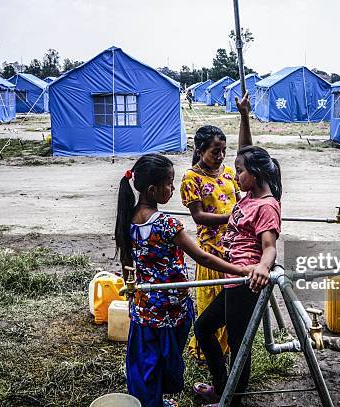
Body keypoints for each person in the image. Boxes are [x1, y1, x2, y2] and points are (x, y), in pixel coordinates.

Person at [115, 153, 262, 407]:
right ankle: (156, 402)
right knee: (165, 358)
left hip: (142, 306)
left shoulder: (128, 216)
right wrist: (239, 270)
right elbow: (202, 258)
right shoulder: (167, 224)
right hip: (171, 309)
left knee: (145, 359)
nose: (173, 189)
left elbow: (127, 263)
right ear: (153, 189)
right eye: (170, 184)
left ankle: (152, 401)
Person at [193, 92, 282, 406]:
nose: (235, 174)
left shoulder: (266, 206)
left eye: (239, 171)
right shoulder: (248, 197)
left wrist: (262, 266)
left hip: (246, 280)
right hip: (233, 278)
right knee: (204, 328)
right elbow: (247, 151)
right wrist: (244, 115)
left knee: (239, 343)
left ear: (254, 175)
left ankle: (231, 399)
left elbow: (269, 246)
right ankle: (223, 387)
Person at [180, 124, 239, 361]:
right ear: (200, 150)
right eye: (215, 151)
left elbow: (240, 200)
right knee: (210, 303)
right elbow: (198, 216)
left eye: (223, 150)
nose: (221, 156)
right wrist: (231, 217)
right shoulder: (191, 178)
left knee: (231, 303)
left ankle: (228, 347)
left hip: (233, 248)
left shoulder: (228, 174)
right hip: (210, 251)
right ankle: (208, 350)